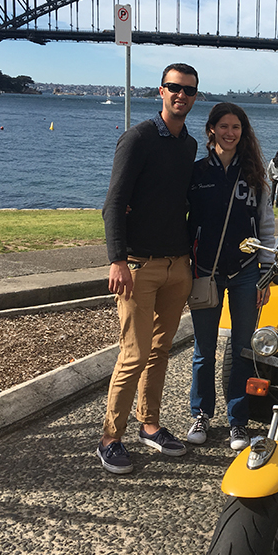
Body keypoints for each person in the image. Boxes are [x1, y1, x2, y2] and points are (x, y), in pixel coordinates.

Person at [98, 62, 200, 475]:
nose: (181, 95)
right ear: (161, 91)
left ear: (195, 97)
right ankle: (109, 438)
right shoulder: (138, 138)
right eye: (174, 88)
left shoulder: (189, 145)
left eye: (189, 90)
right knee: (134, 353)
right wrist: (117, 259)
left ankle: (150, 425)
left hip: (179, 265)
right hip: (139, 265)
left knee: (160, 351)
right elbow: (113, 203)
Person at [186, 102, 274, 451]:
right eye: (223, 126)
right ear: (211, 130)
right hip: (205, 272)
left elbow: (266, 227)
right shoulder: (196, 173)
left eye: (236, 126)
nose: (229, 132)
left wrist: (266, 274)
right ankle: (201, 414)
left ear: (243, 131)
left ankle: (237, 421)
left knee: (241, 348)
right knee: (204, 349)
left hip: (245, 272)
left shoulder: (255, 175)